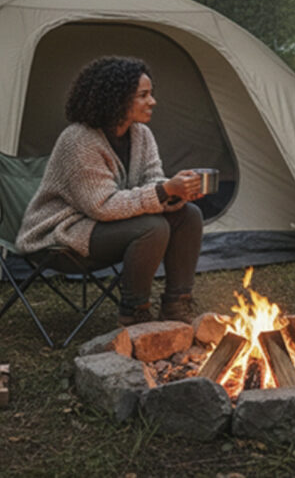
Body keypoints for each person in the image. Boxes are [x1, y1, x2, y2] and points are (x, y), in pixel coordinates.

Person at [16, 56, 205, 326]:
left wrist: (176, 193)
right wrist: (164, 192)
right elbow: (101, 207)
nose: (153, 102)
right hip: (64, 234)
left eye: (151, 94)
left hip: (111, 226)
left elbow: (152, 179)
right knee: (153, 227)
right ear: (116, 98)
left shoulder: (141, 134)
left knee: (189, 215)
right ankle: (134, 312)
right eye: (143, 95)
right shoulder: (79, 140)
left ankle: (177, 305)